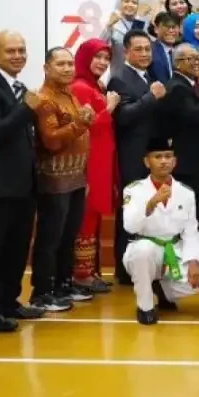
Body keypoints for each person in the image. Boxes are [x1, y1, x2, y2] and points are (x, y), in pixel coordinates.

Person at [0, 31, 44, 331]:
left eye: (22, 50)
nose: (17, 56)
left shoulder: (19, 87)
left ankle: (9, 301)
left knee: (16, 247)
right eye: (10, 51)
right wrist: (27, 108)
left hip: (24, 185)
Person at [31, 47, 94, 312]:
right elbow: (51, 141)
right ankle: (43, 291)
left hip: (75, 176)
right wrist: (81, 123)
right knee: (50, 236)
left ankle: (64, 284)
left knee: (68, 234)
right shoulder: (44, 99)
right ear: (46, 67)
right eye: (61, 64)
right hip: (54, 178)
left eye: (70, 64)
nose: (68, 69)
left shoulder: (69, 95)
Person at [121, 138, 199, 325]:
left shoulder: (186, 192)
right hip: (145, 248)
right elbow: (129, 226)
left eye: (168, 156)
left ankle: (162, 290)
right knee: (143, 251)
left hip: (174, 250)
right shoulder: (134, 190)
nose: (163, 161)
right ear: (147, 162)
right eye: (157, 156)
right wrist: (150, 204)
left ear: (175, 161)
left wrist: (193, 261)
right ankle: (145, 306)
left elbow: (191, 231)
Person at [107, 30, 167, 284]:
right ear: (127, 52)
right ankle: (124, 267)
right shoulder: (119, 79)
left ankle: (144, 264)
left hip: (150, 154)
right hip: (132, 154)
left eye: (147, 49)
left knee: (149, 207)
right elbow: (123, 116)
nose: (144, 54)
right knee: (131, 209)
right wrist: (150, 97)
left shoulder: (148, 75)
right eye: (139, 49)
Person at [70, 38, 120, 294]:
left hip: (101, 157)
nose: (102, 63)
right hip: (89, 160)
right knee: (86, 215)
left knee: (94, 214)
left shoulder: (95, 85)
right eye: (97, 57)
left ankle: (90, 270)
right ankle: (81, 274)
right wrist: (109, 108)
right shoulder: (80, 87)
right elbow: (84, 126)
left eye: (106, 58)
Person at [159, 44, 199, 207]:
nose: (197, 63)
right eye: (191, 59)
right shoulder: (178, 87)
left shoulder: (187, 84)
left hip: (193, 159)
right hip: (188, 161)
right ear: (178, 63)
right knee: (187, 206)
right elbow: (196, 115)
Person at [101, 0, 152, 79]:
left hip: (139, 73)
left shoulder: (142, 24)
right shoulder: (113, 22)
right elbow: (100, 45)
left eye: (134, 2)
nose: (130, 5)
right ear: (119, 4)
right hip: (117, 73)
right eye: (126, 1)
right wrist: (108, 26)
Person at [149, 12, 180, 84]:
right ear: (156, 29)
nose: (171, 30)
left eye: (174, 27)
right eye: (167, 26)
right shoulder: (149, 50)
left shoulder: (180, 51)